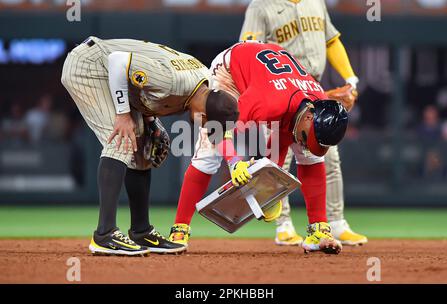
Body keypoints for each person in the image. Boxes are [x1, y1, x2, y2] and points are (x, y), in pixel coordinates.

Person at [61, 36, 239, 256]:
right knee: (122, 139)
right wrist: (123, 114)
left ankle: (141, 230)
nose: (204, 127)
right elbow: (118, 62)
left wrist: (150, 119)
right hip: (90, 66)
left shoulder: (204, 85)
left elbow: (143, 89)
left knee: (143, 149)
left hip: (111, 72)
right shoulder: (172, 81)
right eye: (207, 124)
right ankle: (104, 234)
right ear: (204, 114)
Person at [169, 41, 348, 254]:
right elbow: (217, 126)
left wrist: (268, 188)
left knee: (310, 157)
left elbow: (284, 137)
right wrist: (235, 162)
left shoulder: (317, 101)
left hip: (273, 75)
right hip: (231, 71)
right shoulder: (267, 102)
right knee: (208, 154)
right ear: (309, 117)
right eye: (304, 137)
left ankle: (319, 231)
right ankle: (179, 229)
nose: (303, 143)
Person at [239, 0, 367, 246]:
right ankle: (283, 225)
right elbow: (248, 49)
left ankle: (337, 223)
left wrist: (351, 79)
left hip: (314, 90)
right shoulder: (261, 6)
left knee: (328, 159)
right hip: (280, 92)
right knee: (278, 162)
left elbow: (331, 40)